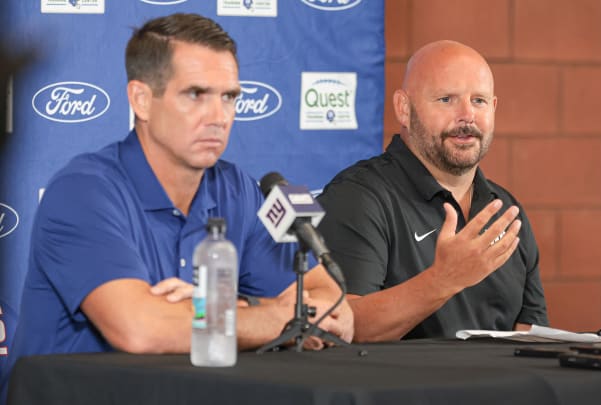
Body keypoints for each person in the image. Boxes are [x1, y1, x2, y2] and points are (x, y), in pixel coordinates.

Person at [3, 12, 353, 398]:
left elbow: (334, 308)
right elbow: (140, 329)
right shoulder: (84, 192)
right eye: (195, 94)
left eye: (229, 97)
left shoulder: (238, 189)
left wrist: (228, 305)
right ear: (141, 100)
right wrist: (278, 316)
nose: (218, 117)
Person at [317, 40, 548, 342]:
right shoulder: (358, 197)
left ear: (493, 109)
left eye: (478, 101)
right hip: (404, 389)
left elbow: (529, 332)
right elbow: (341, 326)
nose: (467, 116)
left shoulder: (505, 209)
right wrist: (442, 281)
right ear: (404, 108)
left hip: (498, 388)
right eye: (446, 100)